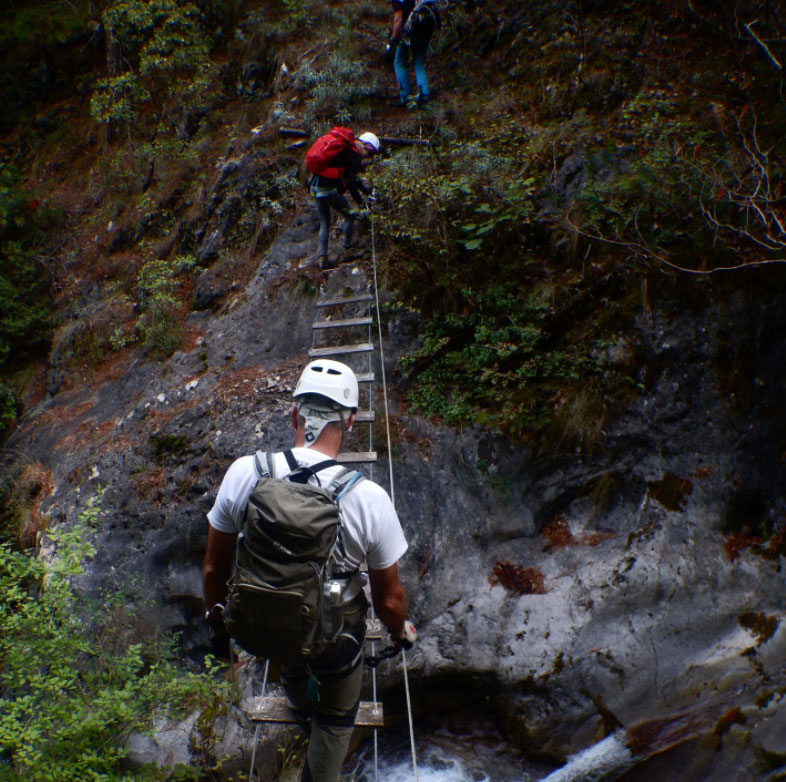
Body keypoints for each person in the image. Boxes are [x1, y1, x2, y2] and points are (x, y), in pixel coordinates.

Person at [202, 359, 415, 782]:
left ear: (294, 413)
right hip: (332, 639)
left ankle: (299, 705)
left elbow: (213, 567)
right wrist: (400, 631)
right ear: (351, 420)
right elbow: (389, 600)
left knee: (289, 648)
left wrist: (219, 627)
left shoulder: (246, 472)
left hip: (263, 626)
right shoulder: (368, 498)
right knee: (336, 718)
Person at [308, 131, 379, 270]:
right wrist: (361, 203)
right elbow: (351, 184)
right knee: (351, 214)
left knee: (324, 221)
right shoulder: (355, 156)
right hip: (328, 190)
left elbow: (352, 178)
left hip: (315, 186)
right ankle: (347, 247)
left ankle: (323, 258)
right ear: (366, 146)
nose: (368, 156)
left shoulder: (346, 150)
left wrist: (367, 192)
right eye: (369, 152)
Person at [388, 0, 439, 107]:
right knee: (419, 63)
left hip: (410, 30)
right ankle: (424, 95)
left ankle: (406, 97)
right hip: (426, 29)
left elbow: (398, 19)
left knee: (399, 62)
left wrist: (393, 38)